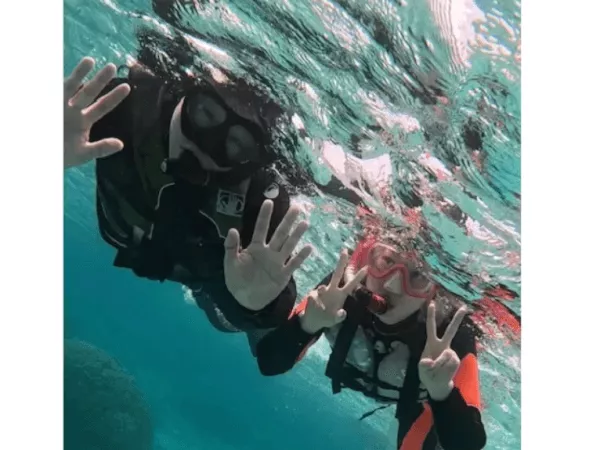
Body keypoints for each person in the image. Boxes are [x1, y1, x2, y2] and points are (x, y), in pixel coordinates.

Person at [63, 55, 313, 342]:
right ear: (185, 93)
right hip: (126, 235)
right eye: (206, 113)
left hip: (203, 270)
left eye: (237, 143)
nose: (207, 144)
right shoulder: (123, 106)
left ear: (250, 161)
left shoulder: (261, 199)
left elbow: (274, 299)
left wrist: (253, 305)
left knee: (228, 316)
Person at [256, 229, 487, 450]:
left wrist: (442, 392)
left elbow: (467, 444)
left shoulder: (451, 330)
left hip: (421, 404)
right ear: (368, 257)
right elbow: (268, 363)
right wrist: (306, 325)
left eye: (417, 276)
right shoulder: (340, 290)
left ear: (433, 290)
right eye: (386, 262)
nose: (392, 285)